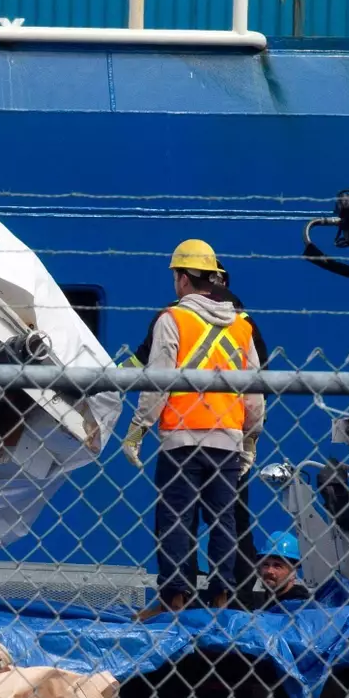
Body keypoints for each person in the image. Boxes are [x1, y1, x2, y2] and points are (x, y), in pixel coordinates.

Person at [122, 238, 265, 616]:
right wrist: (251, 440)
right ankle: (221, 599)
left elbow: (158, 381)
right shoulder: (242, 326)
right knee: (223, 522)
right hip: (228, 441)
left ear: (184, 279)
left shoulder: (173, 319)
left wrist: (137, 430)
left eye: (175, 276)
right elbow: (255, 391)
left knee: (174, 520)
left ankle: (174, 601)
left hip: (181, 441)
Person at [242, 532, 311, 609]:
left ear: (293, 572)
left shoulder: (298, 604)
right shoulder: (261, 598)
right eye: (265, 565)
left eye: (277, 566)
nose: (269, 571)